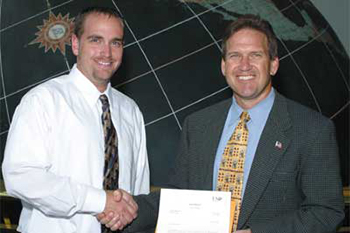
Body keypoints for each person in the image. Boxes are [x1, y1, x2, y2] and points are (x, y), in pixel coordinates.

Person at [100, 14, 345, 233]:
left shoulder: (312, 129)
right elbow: (179, 200)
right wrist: (126, 207)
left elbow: (325, 212)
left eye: (255, 55)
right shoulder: (197, 125)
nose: (244, 65)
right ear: (224, 66)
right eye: (235, 55)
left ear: (273, 64)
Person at [2, 6, 150, 233]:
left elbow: (138, 191)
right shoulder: (43, 101)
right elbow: (20, 176)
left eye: (116, 42)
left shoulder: (131, 112)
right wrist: (100, 201)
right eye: (96, 40)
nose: (107, 53)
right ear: (75, 44)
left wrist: (127, 211)